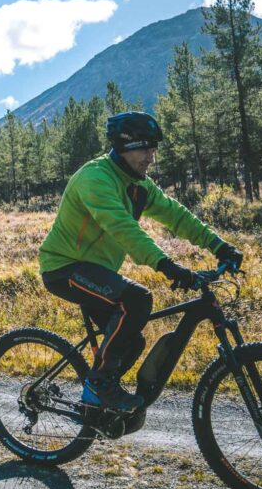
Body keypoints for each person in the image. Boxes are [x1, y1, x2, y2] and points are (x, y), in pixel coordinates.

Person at [38, 112, 243, 412]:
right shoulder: (95, 178)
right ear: (124, 147)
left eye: (154, 148)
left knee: (131, 343)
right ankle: (100, 384)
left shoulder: (139, 185)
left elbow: (176, 215)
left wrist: (220, 246)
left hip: (96, 272)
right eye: (144, 148)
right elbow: (122, 227)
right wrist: (165, 264)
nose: (151, 156)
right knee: (136, 299)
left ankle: (95, 406)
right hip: (63, 267)